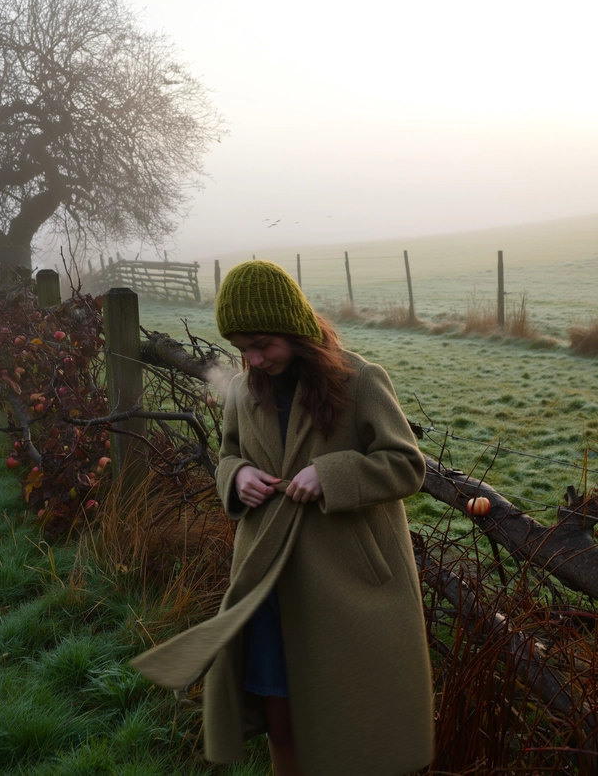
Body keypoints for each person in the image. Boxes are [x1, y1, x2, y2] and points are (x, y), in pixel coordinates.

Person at [132, 260, 434, 776]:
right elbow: (229, 456)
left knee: (349, 717)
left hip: (346, 586)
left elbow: (407, 466)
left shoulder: (360, 380)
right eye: (242, 346)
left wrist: (331, 475)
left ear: (296, 329)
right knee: (281, 717)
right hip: (267, 580)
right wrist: (236, 477)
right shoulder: (245, 392)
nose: (252, 357)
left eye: (262, 343)